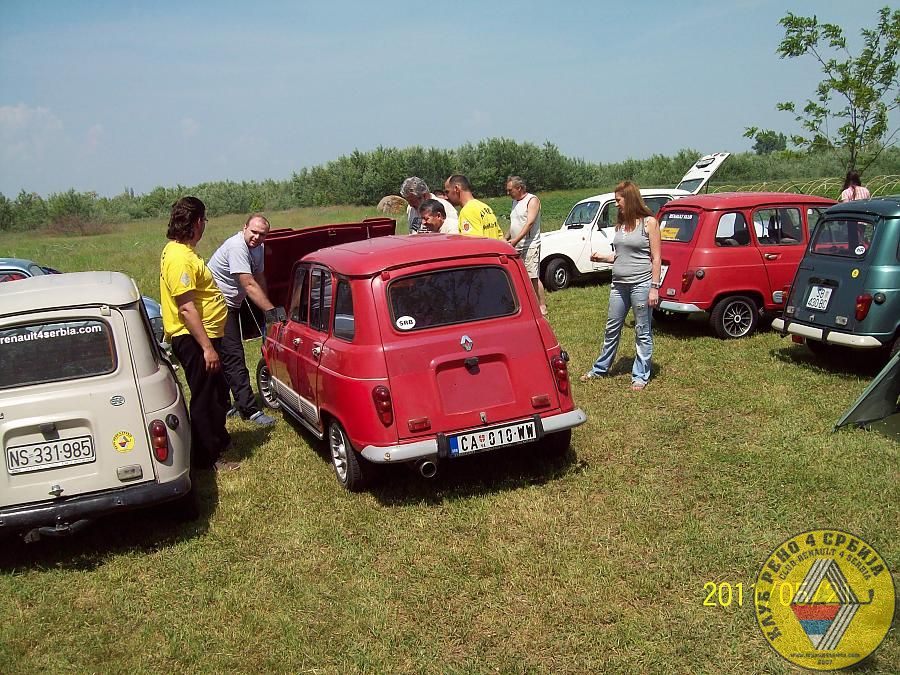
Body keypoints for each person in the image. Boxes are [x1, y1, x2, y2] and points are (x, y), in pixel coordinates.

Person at [159, 197, 237, 470]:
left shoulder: (184, 252)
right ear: (196, 222)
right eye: (204, 220)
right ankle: (208, 456)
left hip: (204, 336)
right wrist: (207, 348)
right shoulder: (179, 258)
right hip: (193, 339)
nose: (205, 225)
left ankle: (219, 439)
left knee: (216, 392)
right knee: (204, 397)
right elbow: (187, 308)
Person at [581, 181, 662, 391]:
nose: (616, 204)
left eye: (618, 200)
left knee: (642, 330)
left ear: (630, 198)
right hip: (618, 285)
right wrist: (603, 258)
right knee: (611, 328)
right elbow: (621, 255)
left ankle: (640, 375)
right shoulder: (621, 224)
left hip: (641, 284)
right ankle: (600, 369)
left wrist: (654, 287)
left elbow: (656, 258)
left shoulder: (649, 223)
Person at [207, 214, 278, 426]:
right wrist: (273, 312)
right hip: (217, 305)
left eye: (262, 234)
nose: (257, 237)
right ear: (244, 227)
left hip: (232, 303)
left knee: (225, 356)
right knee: (233, 355)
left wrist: (266, 307)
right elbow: (248, 284)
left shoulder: (258, 247)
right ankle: (250, 410)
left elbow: (259, 278)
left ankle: (225, 404)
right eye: (253, 232)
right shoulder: (237, 247)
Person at [505, 176, 547, 317]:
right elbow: (514, 224)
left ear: (519, 188)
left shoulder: (532, 200)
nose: (508, 193)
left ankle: (542, 305)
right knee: (519, 275)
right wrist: (506, 239)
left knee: (532, 276)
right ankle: (527, 303)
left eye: (510, 190)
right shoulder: (514, 202)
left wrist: (516, 240)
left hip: (530, 244)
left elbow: (529, 223)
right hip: (516, 244)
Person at [444, 174, 504, 239]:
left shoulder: (467, 211)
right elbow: (501, 238)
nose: (446, 197)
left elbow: (473, 243)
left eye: (447, 192)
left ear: (457, 189)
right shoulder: (485, 207)